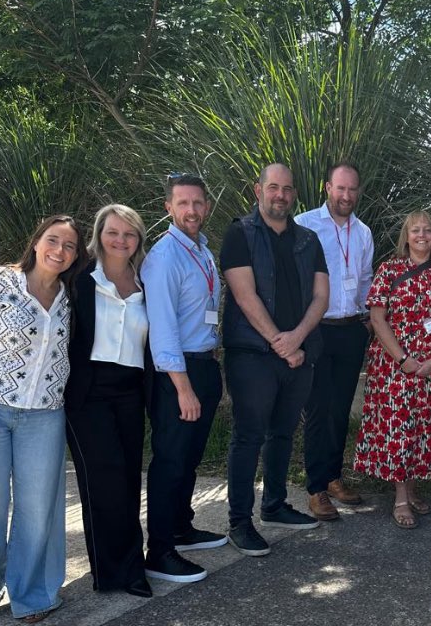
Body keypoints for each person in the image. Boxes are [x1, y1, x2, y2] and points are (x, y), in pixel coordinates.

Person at [0, 215, 88, 622]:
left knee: (37, 509)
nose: (60, 250)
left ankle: (32, 593)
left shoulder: (69, 296)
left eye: (69, 246)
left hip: (44, 415)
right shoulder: (0, 282)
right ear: (37, 241)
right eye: (53, 240)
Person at [221, 162, 329, 556]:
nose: (280, 195)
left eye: (286, 189)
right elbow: (244, 294)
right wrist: (280, 342)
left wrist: (297, 339)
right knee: (248, 435)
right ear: (258, 190)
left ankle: (274, 505)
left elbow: (321, 296)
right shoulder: (240, 233)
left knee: (282, 432)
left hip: (299, 355)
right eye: (273, 188)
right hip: (253, 355)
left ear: (294, 194)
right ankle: (239, 521)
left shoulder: (308, 240)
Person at [141, 174, 227, 585]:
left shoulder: (202, 250)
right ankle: (159, 551)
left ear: (206, 206)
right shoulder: (164, 257)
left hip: (204, 363)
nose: (191, 210)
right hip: (178, 373)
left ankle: (180, 527)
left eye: (197, 203)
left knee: (190, 457)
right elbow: (163, 330)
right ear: (169, 207)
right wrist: (183, 387)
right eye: (183, 203)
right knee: (171, 460)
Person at [354, 211, 431, 529]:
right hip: (394, 367)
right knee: (399, 429)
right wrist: (403, 360)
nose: (422, 235)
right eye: (416, 230)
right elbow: (377, 318)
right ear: (406, 236)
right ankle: (400, 497)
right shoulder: (389, 270)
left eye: (427, 230)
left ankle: (412, 489)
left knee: (423, 429)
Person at [65, 204, 152, 597]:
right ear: (99, 234)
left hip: (131, 390)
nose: (121, 240)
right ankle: (110, 572)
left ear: (138, 240)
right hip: (88, 393)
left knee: (130, 477)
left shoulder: (145, 279)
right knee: (103, 481)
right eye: (113, 232)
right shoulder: (79, 277)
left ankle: (133, 566)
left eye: (129, 233)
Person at [295, 161, 373, 520]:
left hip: (351, 329)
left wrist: (367, 321)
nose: (346, 195)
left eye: (352, 189)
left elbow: (366, 277)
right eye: (340, 188)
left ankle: (333, 477)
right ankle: (316, 489)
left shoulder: (363, 232)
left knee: (340, 408)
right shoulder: (305, 225)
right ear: (328, 187)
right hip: (317, 329)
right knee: (317, 408)